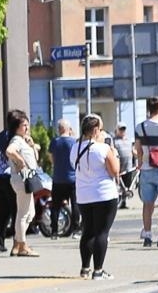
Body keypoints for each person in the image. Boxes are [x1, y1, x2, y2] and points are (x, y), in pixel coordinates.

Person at [75, 113, 122, 279]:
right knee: (102, 232)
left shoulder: (76, 147)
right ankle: (98, 270)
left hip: (83, 195)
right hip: (104, 195)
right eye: (100, 129)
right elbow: (115, 171)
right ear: (95, 130)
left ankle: (85, 268)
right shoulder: (103, 148)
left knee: (87, 231)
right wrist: (113, 153)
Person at [0, 109, 25, 253]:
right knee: (16, 210)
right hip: (10, 176)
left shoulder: (3, 134)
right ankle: (17, 242)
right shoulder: (17, 137)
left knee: (3, 211)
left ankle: (0, 242)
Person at [5, 113, 40, 257]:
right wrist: (20, 161)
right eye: (24, 125)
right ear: (16, 127)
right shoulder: (16, 140)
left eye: (27, 124)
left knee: (30, 213)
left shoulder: (23, 140)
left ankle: (19, 242)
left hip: (26, 178)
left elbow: (35, 159)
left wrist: (32, 146)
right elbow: (9, 151)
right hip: (22, 179)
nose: (27, 127)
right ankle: (22, 245)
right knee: (23, 213)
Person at [134, 97, 158, 247]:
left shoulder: (140, 127)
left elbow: (138, 149)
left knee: (148, 204)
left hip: (147, 169)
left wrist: (141, 162)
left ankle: (147, 236)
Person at [47, 119, 77, 238]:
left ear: (59, 129)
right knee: (75, 205)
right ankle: (76, 229)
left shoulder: (55, 142)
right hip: (72, 178)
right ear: (69, 129)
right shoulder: (74, 142)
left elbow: (51, 158)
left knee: (55, 206)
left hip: (58, 178)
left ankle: (54, 231)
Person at [114, 124, 137, 212]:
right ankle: (120, 201)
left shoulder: (129, 141)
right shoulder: (115, 141)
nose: (122, 131)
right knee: (120, 186)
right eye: (121, 129)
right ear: (117, 130)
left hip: (129, 167)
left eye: (124, 129)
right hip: (120, 167)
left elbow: (133, 151)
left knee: (127, 185)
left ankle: (124, 203)